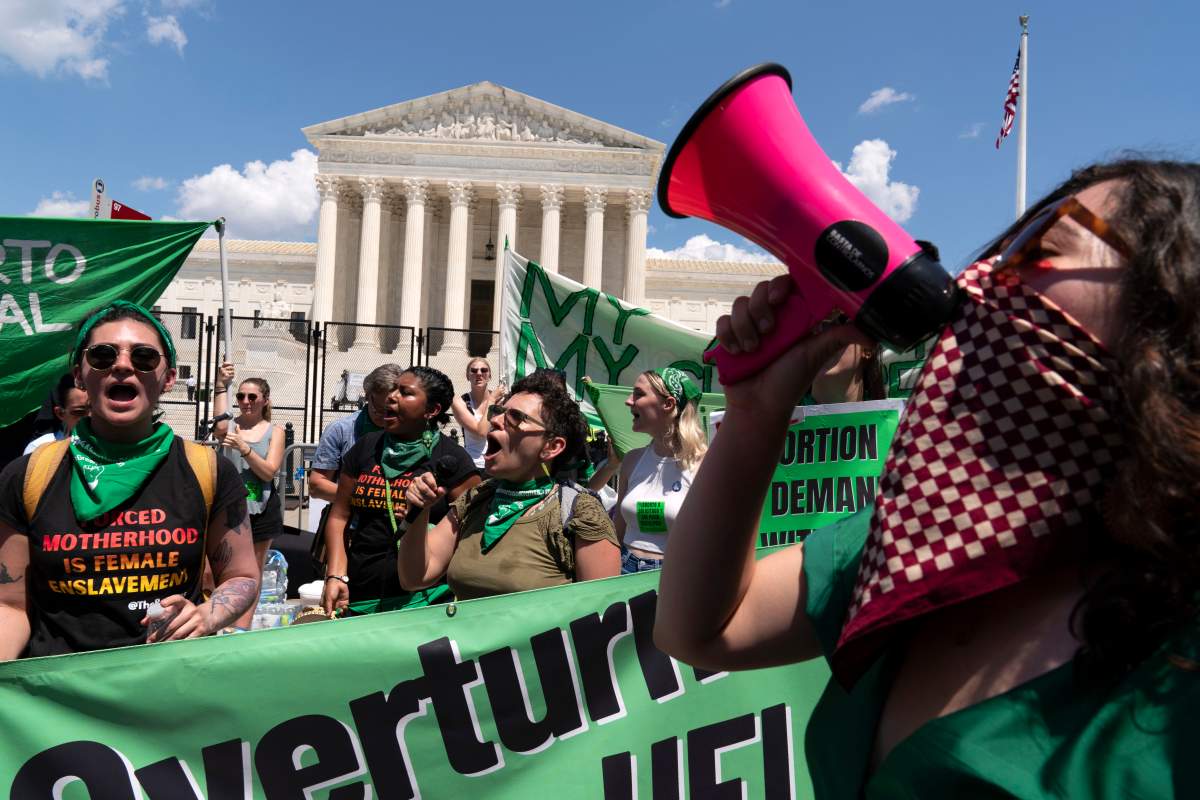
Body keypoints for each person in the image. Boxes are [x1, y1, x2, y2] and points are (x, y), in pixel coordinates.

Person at [655, 159, 1200, 797]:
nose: (976, 281)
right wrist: (753, 414)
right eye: (1004, 250)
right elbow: (704, 628)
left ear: (1171, 315)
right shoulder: (924, 535)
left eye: (1043, 250)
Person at [0, 301, 258, 658]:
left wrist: (205, 616)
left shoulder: (209, 470)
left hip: (166, 688)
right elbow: (10, 605)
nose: (123, 365)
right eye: (103, 355)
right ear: (79, 375)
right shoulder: (27, 475)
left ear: (168, 378)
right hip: (58, 699)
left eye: (144, 358)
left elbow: (241, 576)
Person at [399, 370, 621, 601]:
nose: (495, 420)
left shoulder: (581, 513)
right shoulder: (475, 499)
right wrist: (419, 511)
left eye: (515, 417)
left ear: (552, 447)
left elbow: (601, 618)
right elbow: (415, 577)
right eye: (498, 411)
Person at [321, 366, 479, 615]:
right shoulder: (366, 447)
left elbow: (470, 532)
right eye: (393, 389)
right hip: (360, 593)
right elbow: (339, 517)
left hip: (425, 600)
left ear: (432, 410)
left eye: (405, 392)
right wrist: (336, 575)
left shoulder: (452, 461)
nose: (392, 396)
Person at [592, 368, 707, 574]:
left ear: (668, 404)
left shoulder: (704, 465)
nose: (629, 401)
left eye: (639, 394)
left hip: (676, 575)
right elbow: (618, 529)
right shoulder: (632, 460)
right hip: (624, 568)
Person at [212, 365, 286, 629]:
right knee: (214, 570)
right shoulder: (230, 427)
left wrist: (244, 449)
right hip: (229, 509)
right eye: (241, 396)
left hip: (261, 509)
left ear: (265, 400)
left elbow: (269, 472)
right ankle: (217, 621)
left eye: (252, 397)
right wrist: (221, 384)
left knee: (250, 574)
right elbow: (220, 423)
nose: (245, 402)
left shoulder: (274, 431)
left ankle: (241, 627)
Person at [309, 363, 402, 503]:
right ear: (367, 396)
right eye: (379, 409)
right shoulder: (339, 430)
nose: (384, 416)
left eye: (392, 410)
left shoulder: (411, 431)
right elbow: (317, 486)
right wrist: (370, 497)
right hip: (351, 520)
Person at [450, 357, 501, 469]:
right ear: (468, 376)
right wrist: (492, 400)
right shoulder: (460, 402)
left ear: (490, 375)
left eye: (484, 370)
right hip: (473, 464)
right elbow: (481, 431)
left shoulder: (501, 400)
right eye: (473, 371)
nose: (479, 374)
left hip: (497, 464)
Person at [23, 373, 90, 455]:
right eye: (79, 412)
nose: (90, 417)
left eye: (97, 410)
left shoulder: (109, 446)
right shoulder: (39, 450)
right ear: (60, 413)